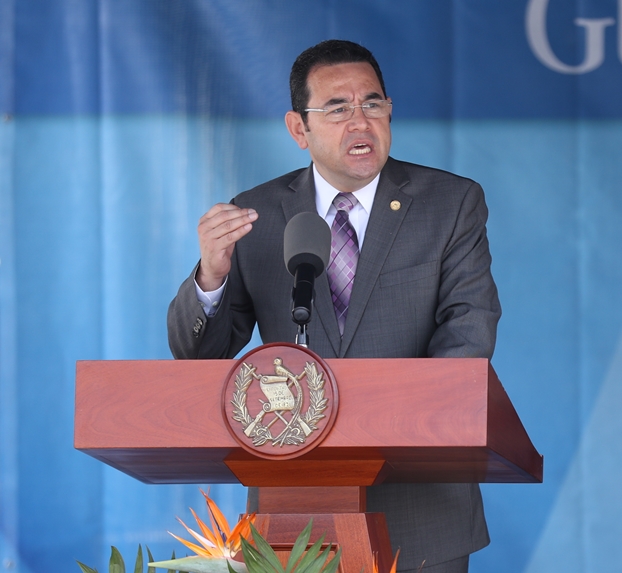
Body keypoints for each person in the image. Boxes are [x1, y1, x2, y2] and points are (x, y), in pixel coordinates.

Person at [167, 39, 501, 573]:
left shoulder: (450, 203)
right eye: (338, 108)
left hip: (421, 506)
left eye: (373, 103)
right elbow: (201, 355)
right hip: (295, 507)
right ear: (299, 129)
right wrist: (211, 273)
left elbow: (470, 326)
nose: (361, 121)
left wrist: (398, 426)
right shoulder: (256, 215)